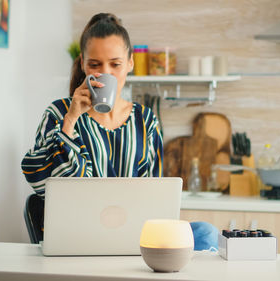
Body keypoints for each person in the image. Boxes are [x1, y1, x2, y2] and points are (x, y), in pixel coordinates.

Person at [21, 13, 217, 251]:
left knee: (207, 234)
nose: (106, 73)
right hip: (79, 235)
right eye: (95, 64)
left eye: (115, 64)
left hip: (135, 234)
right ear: (82, 63)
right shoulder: (59, 113)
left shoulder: (145, 120)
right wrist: (71, 119)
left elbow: (154, 193)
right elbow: (47, 187)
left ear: (130, 64)